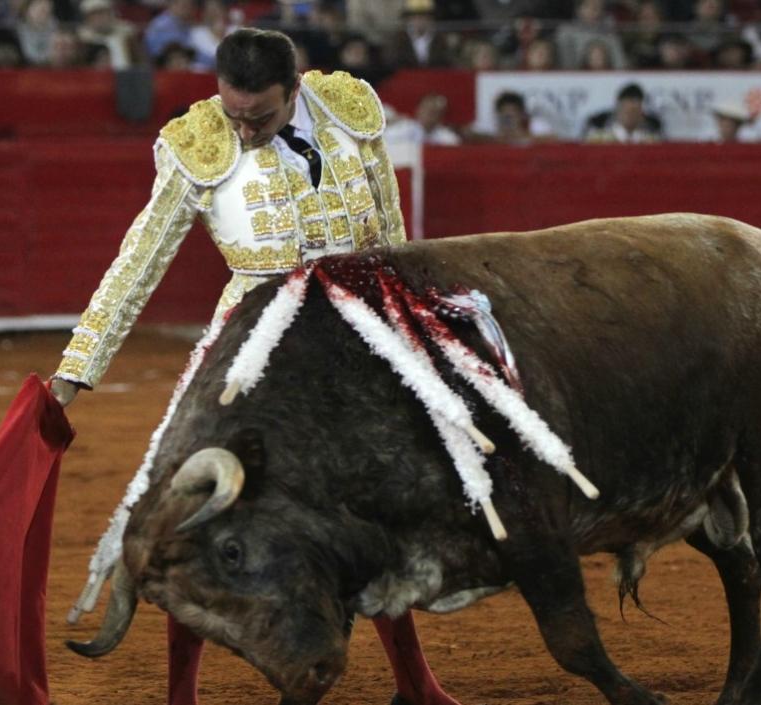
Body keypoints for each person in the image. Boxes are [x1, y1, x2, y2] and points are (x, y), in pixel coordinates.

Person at [50, 27, 460, 705]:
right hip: (255, 347)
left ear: (293, 91)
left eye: (259, 118)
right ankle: (182, 694)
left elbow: (391, 234)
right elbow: (137, 264)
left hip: (357, 339)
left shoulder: (348, 110)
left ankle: (415, 683)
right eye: (231, 114)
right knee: (209, 513)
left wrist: (412, 333)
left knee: (372, 512)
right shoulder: (198, 145)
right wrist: (76, 368)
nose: (240, 131)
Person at [582, 82, 664, 143]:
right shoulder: (598, 138)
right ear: (617, 110)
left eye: (634, 112)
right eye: (626, 111)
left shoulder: (652, 140)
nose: (630, 116)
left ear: (642, 115)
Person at [385, 92, 462, 145]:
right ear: (418, 110)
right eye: (427, 109)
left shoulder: (448, 138)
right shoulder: (402, 129)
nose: (430, 115)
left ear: (441, 116)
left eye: (434, 112)